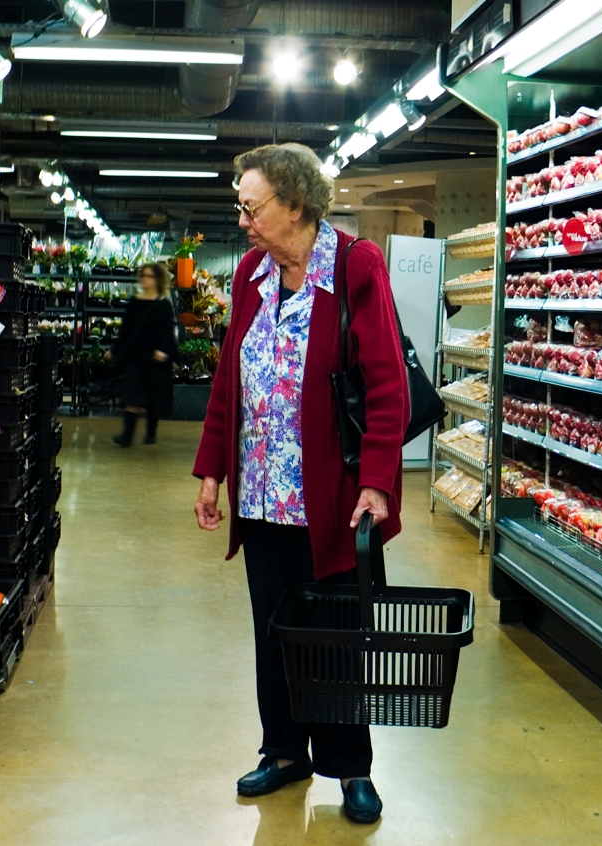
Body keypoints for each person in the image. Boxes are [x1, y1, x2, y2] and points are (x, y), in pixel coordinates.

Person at [192, 143, 409, 824]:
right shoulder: (251, 275)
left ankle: (350, 768)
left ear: (294, 204)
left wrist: (377, 481)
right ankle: (284, 752)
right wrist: (212, 469)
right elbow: (231, 377)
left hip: (332, 501)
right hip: (261, 497)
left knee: (336, 635)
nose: (243, 220)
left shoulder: (354, 265)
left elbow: (386, 384)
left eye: (251, 207)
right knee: (274, 631)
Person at [110, 262, 177, 446]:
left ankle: (150, 432)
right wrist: (115, 350)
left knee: (153, 396)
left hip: (156, 358)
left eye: (149, 276)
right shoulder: (134, 302)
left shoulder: (163, 305)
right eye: (144, 276)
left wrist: (163, 350)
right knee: (131, 393)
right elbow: (126, 330)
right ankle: (127, 435)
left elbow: (167, 330)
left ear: (157, 279)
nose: (145, 280)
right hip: (136, 355)